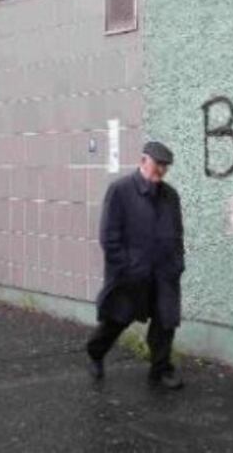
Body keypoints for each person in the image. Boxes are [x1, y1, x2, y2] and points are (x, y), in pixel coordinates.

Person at [85, 141, 185, 389]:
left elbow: (177, 233)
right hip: (131, 274)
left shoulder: (170, 196)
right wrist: (126, 267)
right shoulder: (120, 190)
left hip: (163, 273)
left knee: (165, 321)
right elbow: (109, 236)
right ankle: (96, 353)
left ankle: (160, 370)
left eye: (165, 166)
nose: (160, 170)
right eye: (156, 164)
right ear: (143, 161)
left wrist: (177, 263)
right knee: (117, 320)